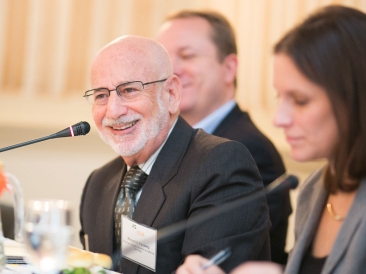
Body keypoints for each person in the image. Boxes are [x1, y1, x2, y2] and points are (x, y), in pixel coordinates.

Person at [175, 4, 366, 274]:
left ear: (356, 99)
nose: (279, 118)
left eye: (300, 100)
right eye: (280, 97)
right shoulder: (315, 188)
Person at [79, 35, 271, 274]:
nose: (114, 110)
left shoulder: (221, 165)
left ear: (171, 94)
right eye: (101, 95)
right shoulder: (98, 183)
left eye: (128, 90)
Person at [156, 10, 291, 264]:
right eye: (163, 60)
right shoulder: (163, 144)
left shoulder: (247, 150)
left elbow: (220, 260)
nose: (172, 72)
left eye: (187, 56)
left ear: (229, 68)